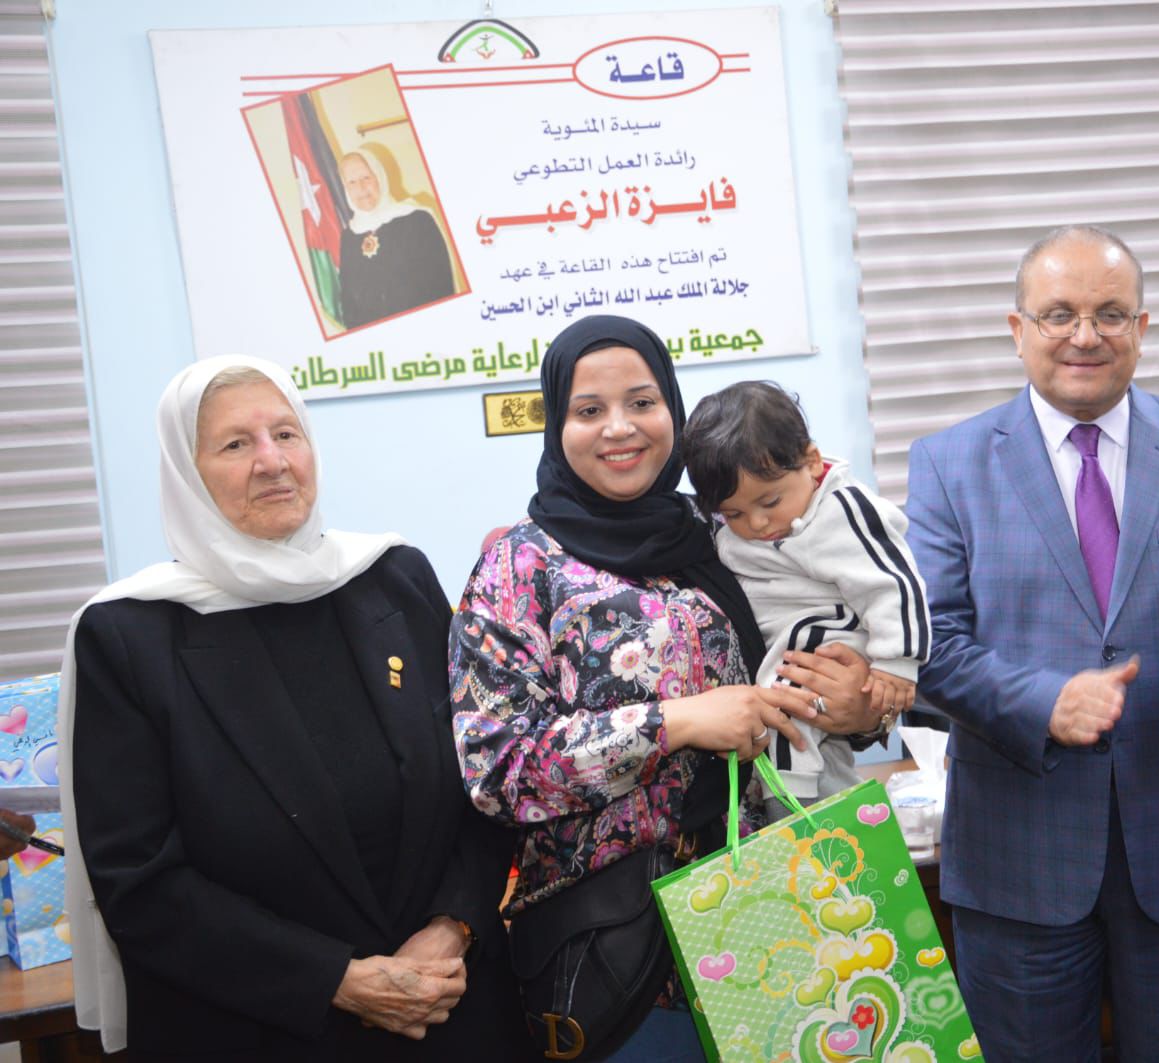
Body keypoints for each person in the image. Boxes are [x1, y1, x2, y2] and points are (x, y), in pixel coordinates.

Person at [905, 224, 1159, 1061]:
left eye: (1110, 313)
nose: (1085, 335)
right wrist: (1047, 702)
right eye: (1059, 314)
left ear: (1141, 328)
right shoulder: (947, 463)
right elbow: (931, 645)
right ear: (1018, 329)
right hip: (1018, 858)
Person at [62, 356, 524, 1060]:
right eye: (235, 443)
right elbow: (139, 881)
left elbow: (481, 777)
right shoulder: (129, 635)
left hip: (450, 1011)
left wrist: (452, 926)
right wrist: (337, 980)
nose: (272, 461)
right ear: (185, 472)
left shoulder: (394, 577)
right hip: (259, 1029)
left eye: (286, 433)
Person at [449, 315, 881, 1060]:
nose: (620, 427)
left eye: (642, 402)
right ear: (557, 425)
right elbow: (497, 770)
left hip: (779, 914)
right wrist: (676, 722)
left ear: (673, 411)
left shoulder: (727, 530)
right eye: (589, 409)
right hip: (621, 953)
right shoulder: (519, 568)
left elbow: (826, 641)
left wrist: (857, 707)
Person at [681, 380, 930, 813]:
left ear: (812, 462)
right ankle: (836, 818)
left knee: (782, 710)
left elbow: (895, 582)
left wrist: (898, 663)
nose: (757, 524)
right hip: (789, 641)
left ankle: (791, 808)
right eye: (734, 513)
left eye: (770, 501)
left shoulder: (841, 510)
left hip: (828, 631)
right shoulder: (721, 529)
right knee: (812, 742)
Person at [336, 147, 455, 330]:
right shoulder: (349, 237)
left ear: (380, 176)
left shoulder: (417, 219)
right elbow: (348, 302)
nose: (360, 188)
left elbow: (441, 285)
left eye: (366, 177)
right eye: (351, 182)